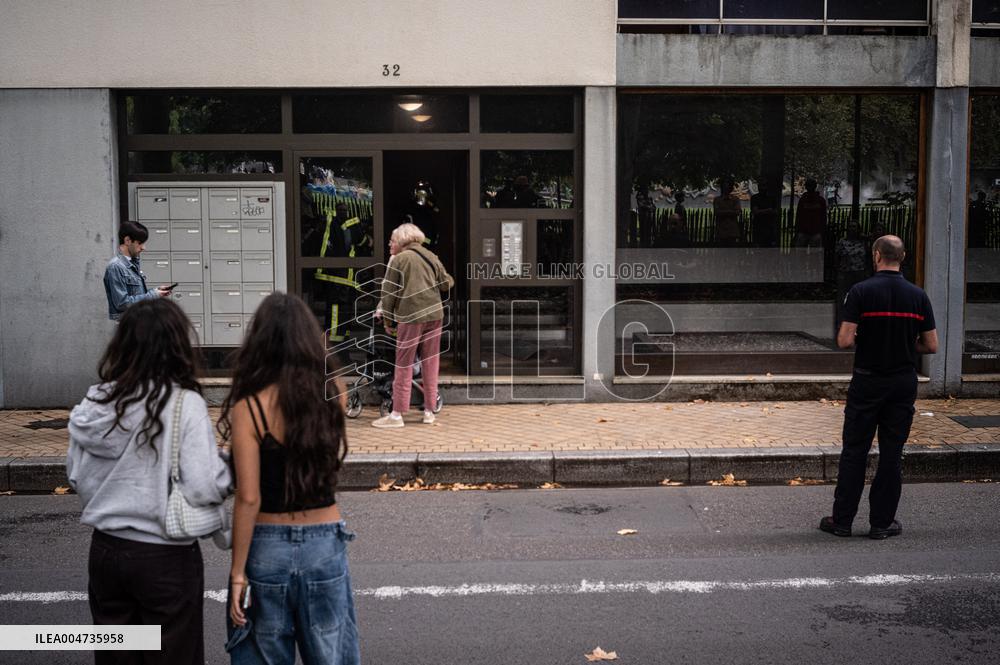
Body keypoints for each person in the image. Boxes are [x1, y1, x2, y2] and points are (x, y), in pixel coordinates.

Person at [67, 298, 232, 665]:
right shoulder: (182, 404)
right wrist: (229, 472)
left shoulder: (95, 401)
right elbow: (204, 484)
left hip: (106, 552)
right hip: (165, 557)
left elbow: (76, 475)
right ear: (177, 345)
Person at [221, 292, 359, 665]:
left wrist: (237, 573)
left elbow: (248, 498)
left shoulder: (248, 407)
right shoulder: (334, 394)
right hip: (325, 542)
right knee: (331, 655)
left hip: (267, 547)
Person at [820, 235, 938, 540]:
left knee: (854, 450)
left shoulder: (861, 292)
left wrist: (869, 339)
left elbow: (845, 340)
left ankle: (842, 520)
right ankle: (882, 523)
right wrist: (903, 344)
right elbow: (931, 345)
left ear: (876, 256)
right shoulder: (918, 296)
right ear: (903, 257)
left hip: (868, 380)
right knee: (891, 452)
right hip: (902, 382)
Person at [372, 222, 454, 428]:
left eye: (392, 240)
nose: (390, 244)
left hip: (411, 316)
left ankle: (397, 414)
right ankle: (429, 412)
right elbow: (447, 283)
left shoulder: (399, 260)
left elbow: (389, 294)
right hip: (435, 315)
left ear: (402, 241)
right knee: (431, 362)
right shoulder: (430, 256)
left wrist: (388, 321)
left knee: (404, 363)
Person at [104, 221, 171, 320]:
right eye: (140, 243)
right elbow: (122, 303)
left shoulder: (133, 263)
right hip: (127, 325)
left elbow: (136, 295)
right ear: (127, 240)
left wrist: (156, 292)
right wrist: (153, 295)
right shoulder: (116, 267)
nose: (144, 248)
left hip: (137, 321)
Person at [834, 217, 869, 334]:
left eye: (854, 227)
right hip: (845, 273)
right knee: (842, 299)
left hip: (859, 273)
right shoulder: (842, 242)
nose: (851, 229)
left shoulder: (863, 242)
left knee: (859, 299)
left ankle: (859, 324)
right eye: (850, 226)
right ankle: (841, 324)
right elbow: (836, 258)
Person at [794, 178, 827, 248]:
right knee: (815, 255)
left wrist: (797, 231)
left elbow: (798, 216)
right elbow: (823, 218)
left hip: (804, 231)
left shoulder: (803, 200)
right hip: (815, 231)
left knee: (801, 255)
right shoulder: (821, 201)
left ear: (806, 187)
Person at [713, 179, 742, 246]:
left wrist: (723, 211)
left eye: (728, 186)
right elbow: (717, 212)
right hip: (721, 231)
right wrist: (731, 211)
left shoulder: (735, 199)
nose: (726, 188)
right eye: (724, 186)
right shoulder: (717, 200)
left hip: (732, 231)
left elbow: (737, 212)